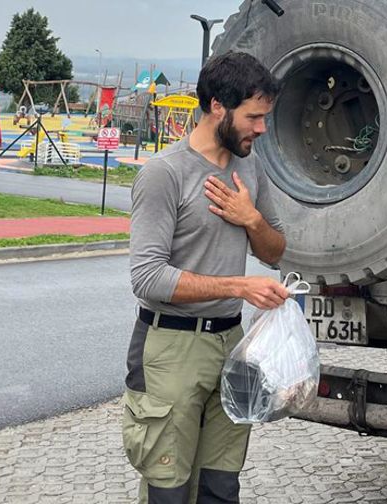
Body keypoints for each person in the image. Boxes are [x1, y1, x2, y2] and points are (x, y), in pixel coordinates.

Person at [123, 51, 289, 503]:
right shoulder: (165, 174)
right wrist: (239, 286)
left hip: (230, 343)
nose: (261, 128)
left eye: (264, 117)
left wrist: (251, 219)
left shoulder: (250, 168)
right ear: (217, 106)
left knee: (221, 488)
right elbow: (148, 277)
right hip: (170, 348)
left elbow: (275, 251)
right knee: (169, 491)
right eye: (253, 117)